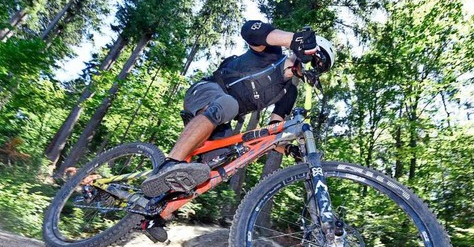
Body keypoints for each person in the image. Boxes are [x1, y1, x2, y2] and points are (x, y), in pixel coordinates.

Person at [140, 20, 334, 201]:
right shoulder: (272, 51)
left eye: (320, 68)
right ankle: (170, 163)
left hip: (220, 120)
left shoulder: (288, 92)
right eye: (315, 60)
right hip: (207, 91)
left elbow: (275, 132)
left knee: (217, 164)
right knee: (229, 104)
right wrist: (293, 39)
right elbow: (250, 30)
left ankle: (157, 207)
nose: (314, 68)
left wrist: (291, 150)